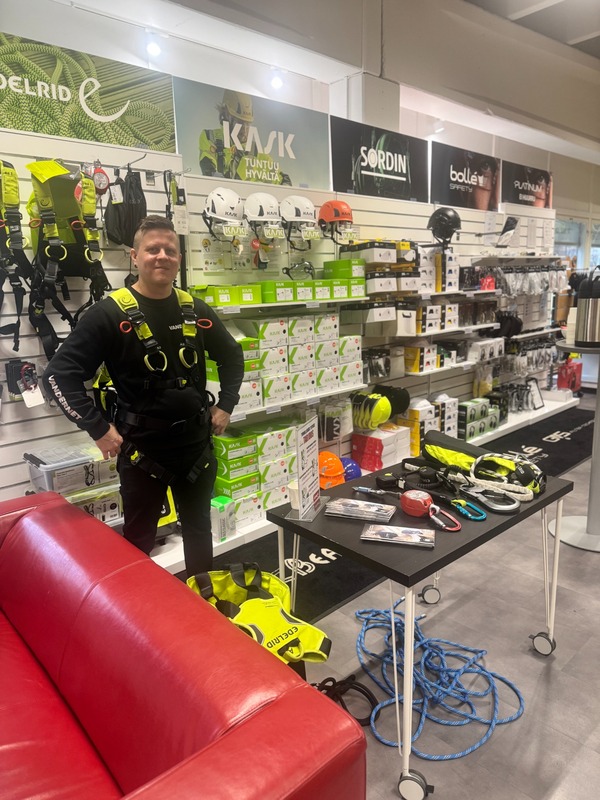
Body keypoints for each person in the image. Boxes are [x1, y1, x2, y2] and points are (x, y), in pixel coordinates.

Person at [43, 215, 244, 576]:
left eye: (170, 250)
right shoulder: (108, 314)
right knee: (138, 540)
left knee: (199, 530)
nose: (162, 256)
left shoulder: (194, 309)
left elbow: (232, 355)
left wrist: (226, 405)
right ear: (134, 256)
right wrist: (97, 428)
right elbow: (59, 375)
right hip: (142, 454)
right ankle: (137, 604)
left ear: (179, 258)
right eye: (153, 249)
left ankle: (202, 597)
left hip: (196, 448)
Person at [199, 89, 291, 185]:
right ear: (226, 116)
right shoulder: (211, 138)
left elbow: (282, 180)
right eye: (240, 122)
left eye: (248, 124)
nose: (245, 129)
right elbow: (208, 167)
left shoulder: (257, 152)